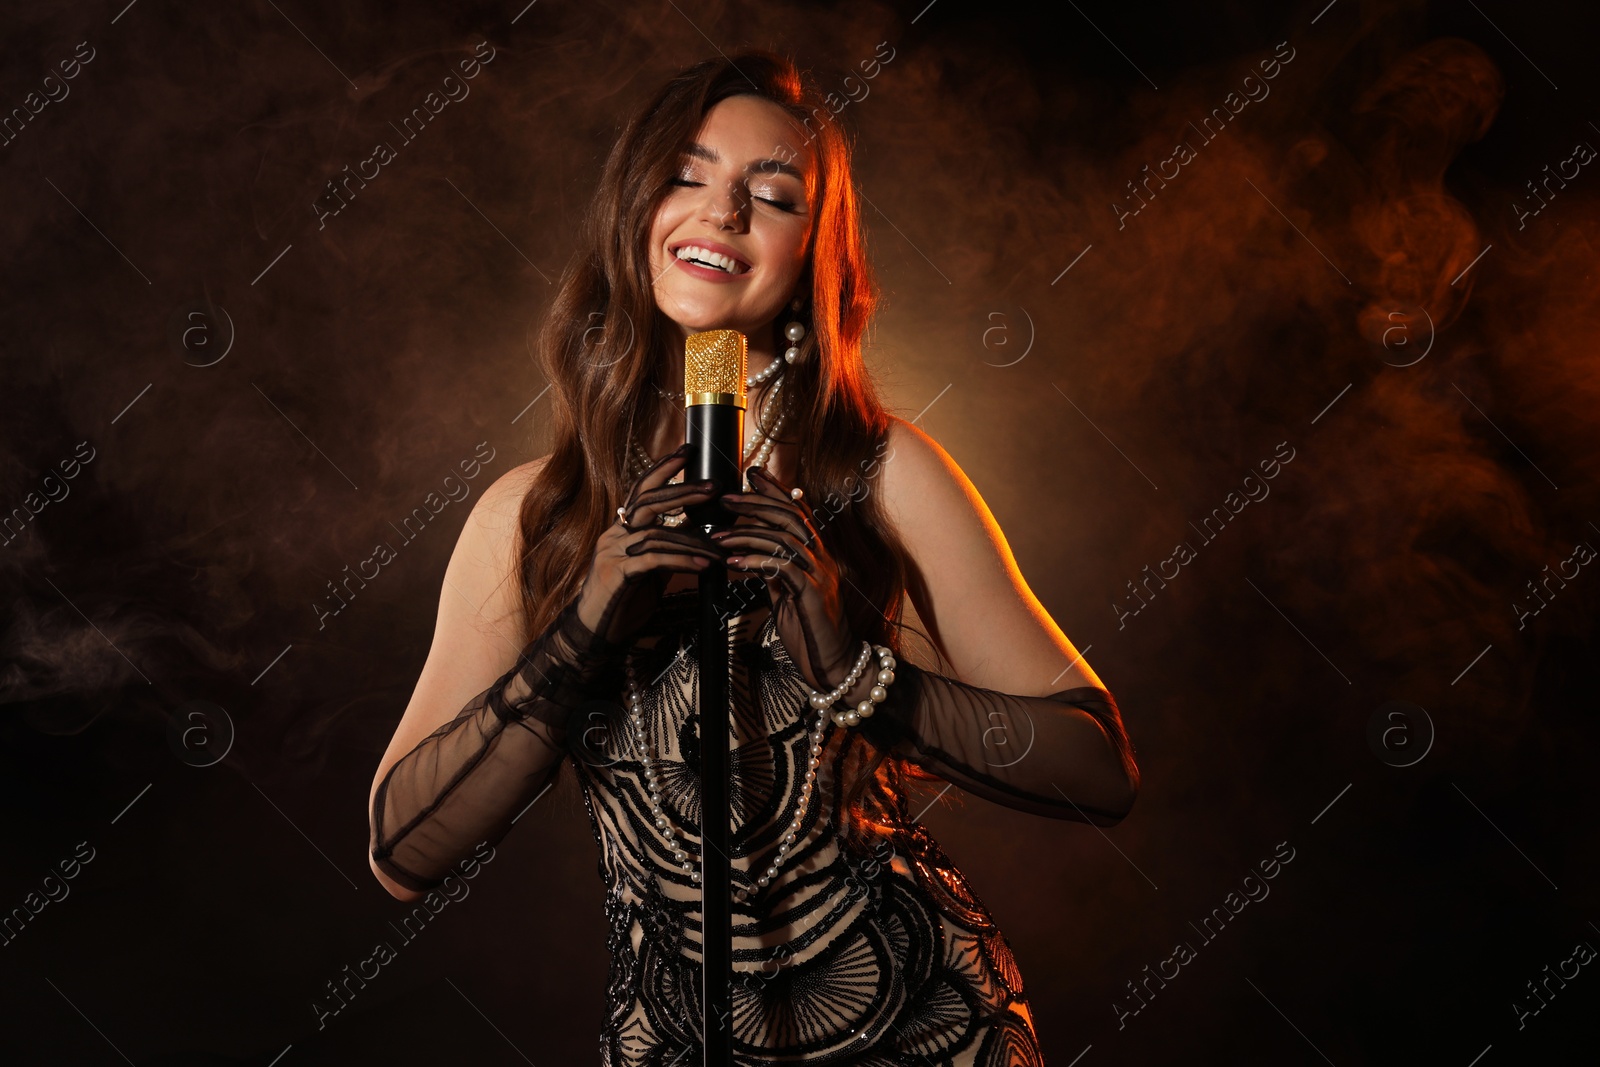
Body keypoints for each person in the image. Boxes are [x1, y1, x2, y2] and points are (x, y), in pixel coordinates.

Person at [367, 50, 1139, 1066]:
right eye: (687, 176)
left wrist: (852, 674)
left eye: (770, 195)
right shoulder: (533, 515)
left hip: (923, 1029)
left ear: (811, 250)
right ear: (634, 212)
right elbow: (400, 849)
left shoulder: (880, 468)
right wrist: (583, 630)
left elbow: (1097, 765)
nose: (722, 212)